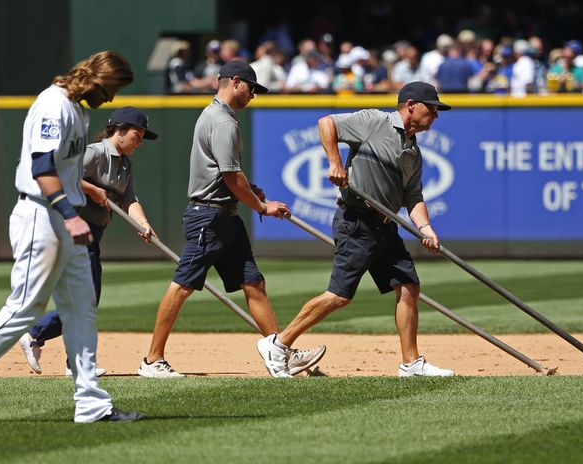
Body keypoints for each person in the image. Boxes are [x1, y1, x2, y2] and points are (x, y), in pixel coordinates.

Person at [0, 51, 145, 422]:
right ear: (97, 79)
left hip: (64, 216)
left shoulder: (78, 109)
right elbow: (41, 165)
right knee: (24, 306)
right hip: (42, 215)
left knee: (81, 307)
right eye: (111, 88)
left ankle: (91, 403)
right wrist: (69, 215)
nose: (111, 98)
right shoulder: (53, 104)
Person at [138, 60, 326, 378]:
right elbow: (229, 174)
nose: (253, 95)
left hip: (224, 215)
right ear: (236, 82)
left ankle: (280, 353)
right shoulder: (223, 121)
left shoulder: (218, 116)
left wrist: (251, 190)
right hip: (209, 216)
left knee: (254, 284)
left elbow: (226, 173)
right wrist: (261, 206)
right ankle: (152, 360)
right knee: (182, 285)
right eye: (252, 89)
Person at [257, 81, 455, 378]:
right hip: (357, 222)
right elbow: (327, 123)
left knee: (409, 287)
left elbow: (413, 198)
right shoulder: (376, 121)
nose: (437, 115)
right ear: (411, 105)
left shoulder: (414, 152)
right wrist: (335, 163)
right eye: (433, 108)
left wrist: (426, 228)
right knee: (339, 296)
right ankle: (279, 344)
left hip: (386, 228)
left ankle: (411, 364)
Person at [17, 106, 159, 376]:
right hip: (72, 229)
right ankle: (46, 341)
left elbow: (129, 200)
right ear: (119, 131)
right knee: (86, 298)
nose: (139, 142)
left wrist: (143, 224)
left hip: (94, 234)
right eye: (136, 135)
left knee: (83, 298)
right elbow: (59, 173)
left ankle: (58, 350)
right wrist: (93, 189)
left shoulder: (125, 165)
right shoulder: (94, 153)